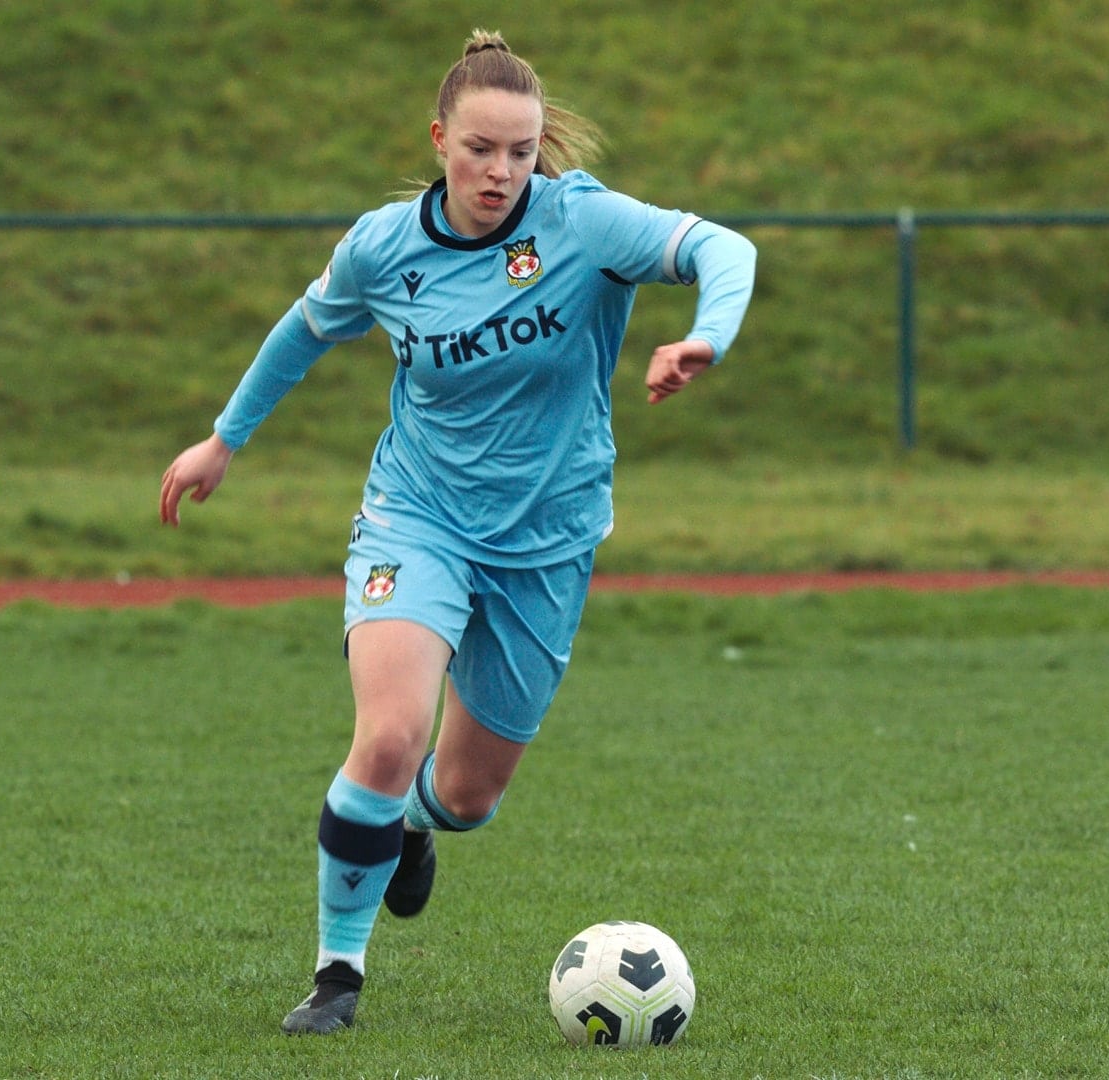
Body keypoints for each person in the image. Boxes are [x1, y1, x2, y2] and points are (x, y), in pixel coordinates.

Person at [157, 29, 756, 1035]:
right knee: (391, 735)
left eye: (521, 151)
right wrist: (225, 438)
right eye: (480, 148)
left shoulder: (582, 223)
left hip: (548, 538)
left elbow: (723, 249)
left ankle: (406, 825)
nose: (501, 171)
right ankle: (337, 976)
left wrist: (706, 334)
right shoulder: (384, 247)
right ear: (439, 139)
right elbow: (306, 329)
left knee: (469, 796)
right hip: (417, 516)